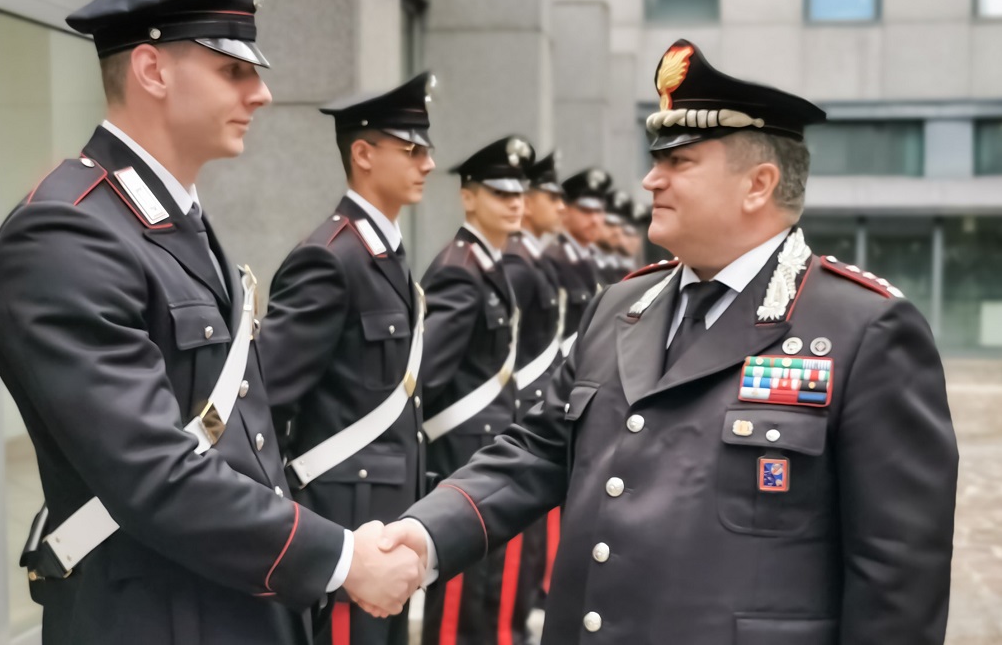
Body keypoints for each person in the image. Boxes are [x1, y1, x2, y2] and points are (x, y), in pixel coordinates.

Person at [384, 39, 959, 644]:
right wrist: (423, 534)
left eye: (679, 162)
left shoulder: (863, 330)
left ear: (758, 184)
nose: (650, 179)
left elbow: (897, 581)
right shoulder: (620, 306)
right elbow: (535, 452)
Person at [0, 0, 422, 645]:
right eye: (233, 70)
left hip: (235, 605)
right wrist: (339, 558)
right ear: (153, 70)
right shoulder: (65, 233)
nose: (262, 94)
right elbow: (153, 472)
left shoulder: (169, 222)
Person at [258, 72, 436, 645]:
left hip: (384, 512)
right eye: (411, 148)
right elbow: (264, 398)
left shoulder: (384, 255)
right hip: (340, 517)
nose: (427, 163)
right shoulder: (330, 260)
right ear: (363, 153)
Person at [417, 136, 533, 645]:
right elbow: (426, 378)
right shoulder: (459, 271)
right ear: (468, 197)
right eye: (499, 193)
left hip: (483, 447)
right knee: (462, 602)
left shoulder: (486, 266)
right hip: (459, 453)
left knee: (486, 592)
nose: (514, 203)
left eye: (519, 193)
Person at [502, 147, 566, 641]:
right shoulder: (515, 264)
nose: (558, 207)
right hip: (506, 415)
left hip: (532, 408)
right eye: (551, 195)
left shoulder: (539, 262)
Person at [543, 167, 610, 356]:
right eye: (586, 211)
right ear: (565, 211)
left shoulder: (595, 260)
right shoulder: (552, 260)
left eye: (599, 211)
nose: (595, 219)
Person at [595, 189, 632, 285]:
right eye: (610, 224)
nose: (617, 231)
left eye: (620, 225)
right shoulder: (581, 264)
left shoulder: (624, 266)